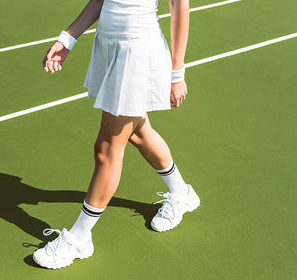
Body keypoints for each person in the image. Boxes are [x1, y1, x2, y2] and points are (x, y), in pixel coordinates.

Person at [33, 0, 200, 269]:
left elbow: (179, 5)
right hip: (111, 47)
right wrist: (67, 39)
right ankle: (182, 193)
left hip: (137, 51)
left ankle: (79, 238)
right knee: (138, 133)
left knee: (106, 150)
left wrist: (177, 73)